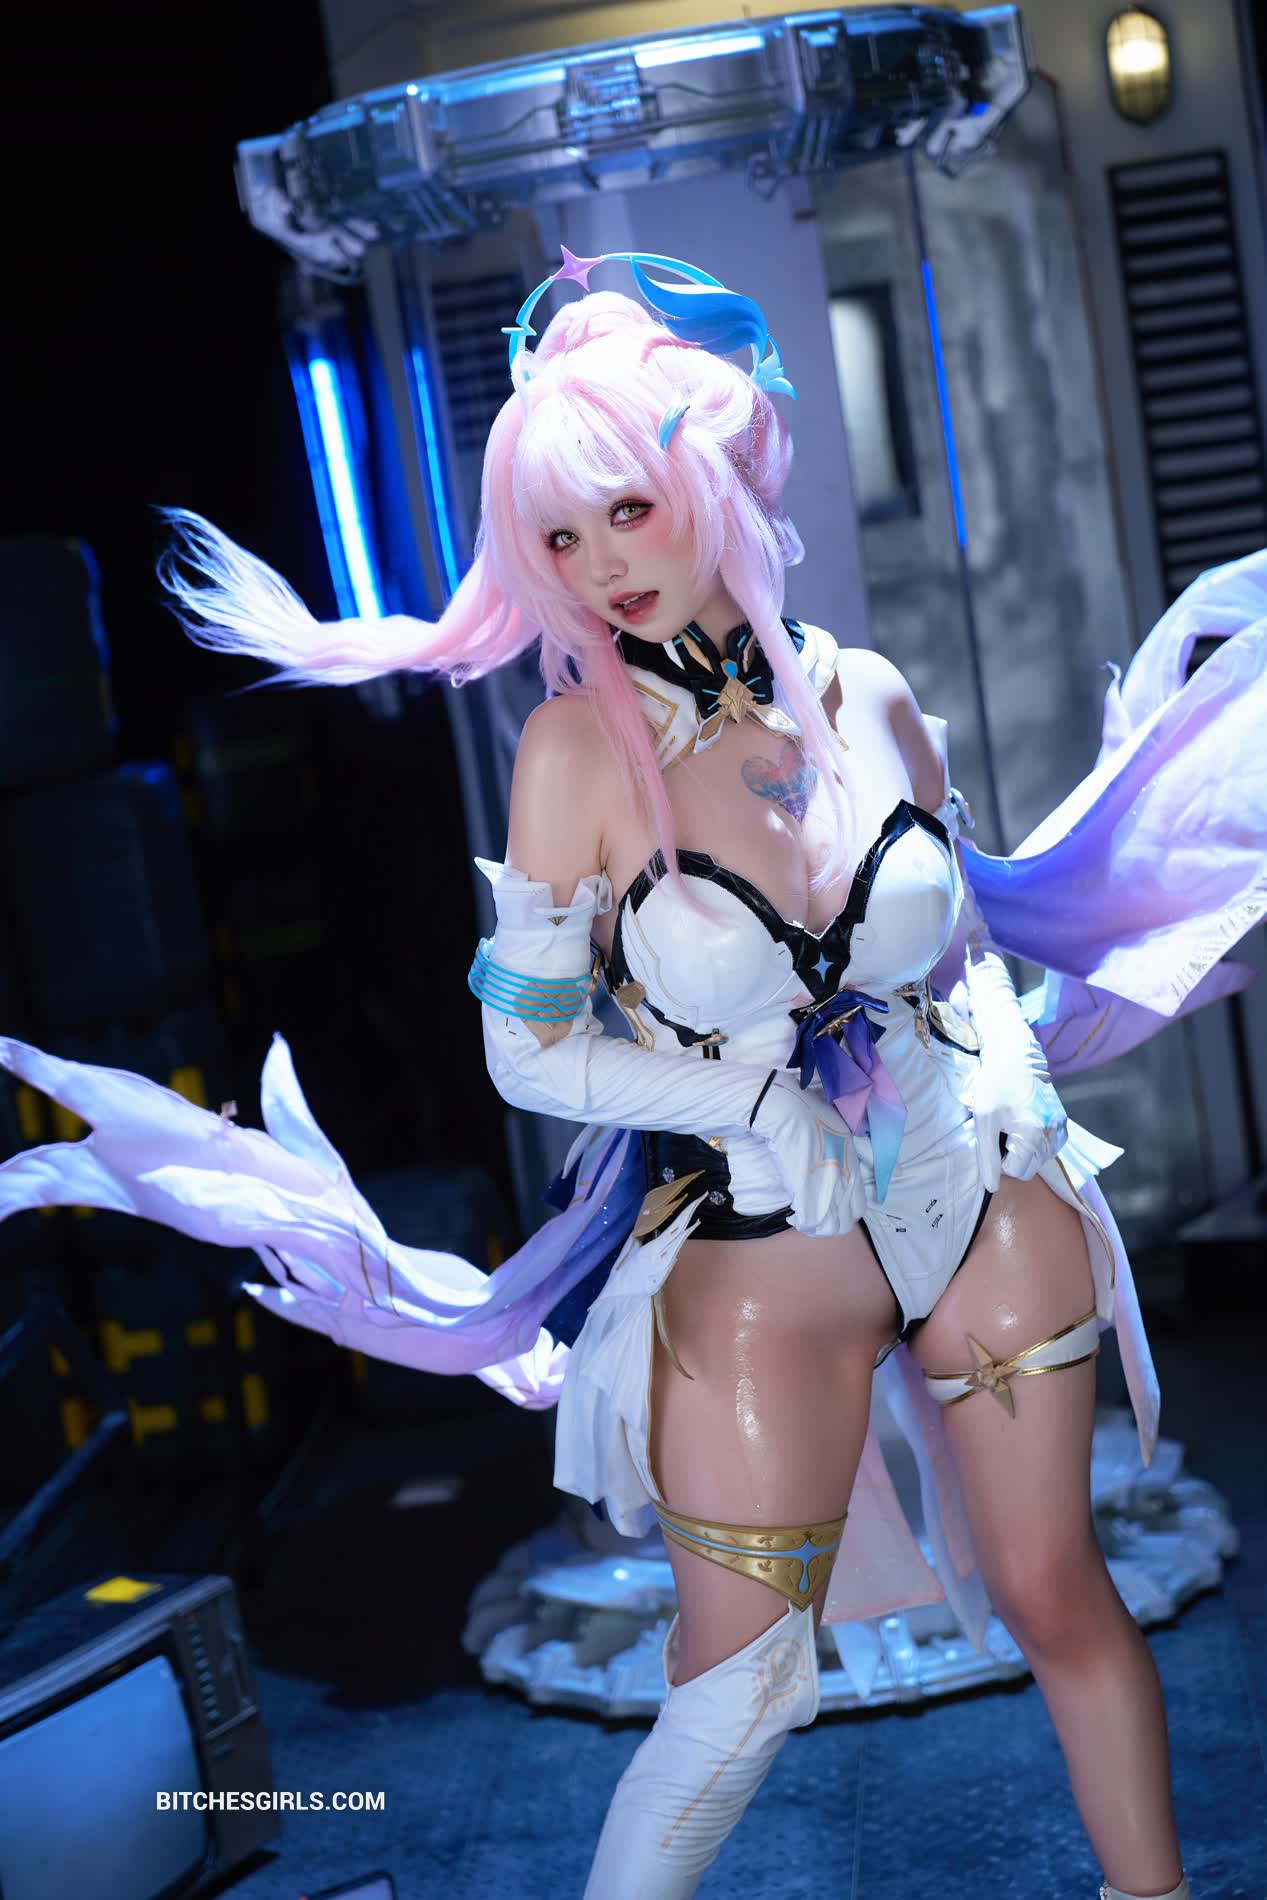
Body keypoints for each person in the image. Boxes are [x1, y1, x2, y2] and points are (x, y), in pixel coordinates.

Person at [4, 252, 1265, 1899]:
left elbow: (958, 937)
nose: (601, 566)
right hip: (761, 1239)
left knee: (1057, 1596)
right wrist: (745, 1098)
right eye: (558, 539)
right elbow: (523, 1045)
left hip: (983, 1192)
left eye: (627, 512)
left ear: (714, 484)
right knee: (740, 1692)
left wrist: (1009, 1067)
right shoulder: (574, 755)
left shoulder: (871, 695)